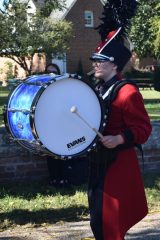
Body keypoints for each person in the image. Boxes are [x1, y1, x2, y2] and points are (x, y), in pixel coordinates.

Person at [86, 1, 152, 240]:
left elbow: (144, 129)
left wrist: (120, 137)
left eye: (99, 60)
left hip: (118, 165)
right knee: (97, 222)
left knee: (110, 225)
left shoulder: (128, 92)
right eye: (94, 59)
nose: (94, 63)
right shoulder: (97, 89)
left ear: (113, 64)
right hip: (97, 163)